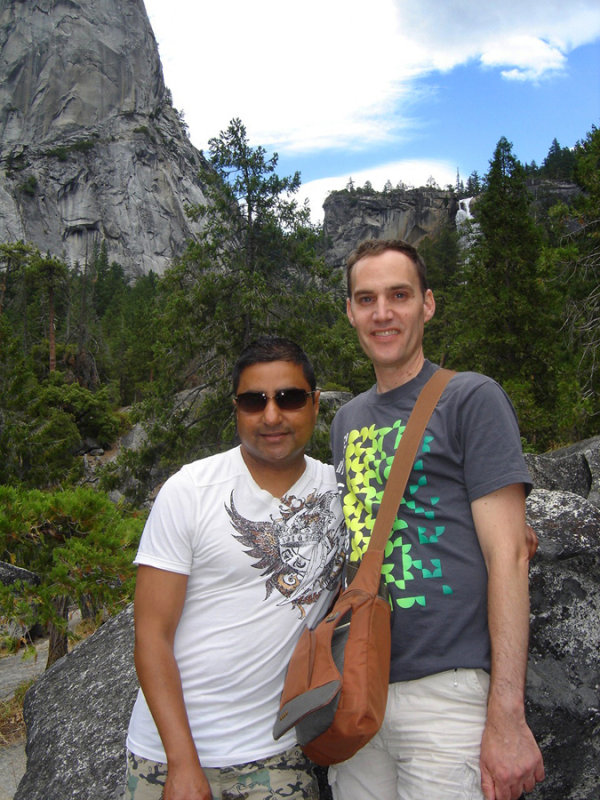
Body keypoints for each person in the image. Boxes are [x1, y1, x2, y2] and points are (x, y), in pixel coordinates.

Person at [328, 239, 544, 800]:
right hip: (361, 690)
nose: (382, 313)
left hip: (448, 692)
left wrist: (507, 713)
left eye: (399, 295)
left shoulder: (471, 398)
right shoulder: (346, 420)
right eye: (366, 298)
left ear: (427, 304)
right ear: (350, 311)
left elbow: (509, 555)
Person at [124, 336, 345, 800]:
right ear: (236, 408)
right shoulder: (190, 491)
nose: (271, 416)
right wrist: (183, 764)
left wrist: (507, 530)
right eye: (253, 401)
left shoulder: (340, 493)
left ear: (315, 402)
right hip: (168, 756)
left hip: (277, 753)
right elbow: (151, 635)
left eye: (289, 398)